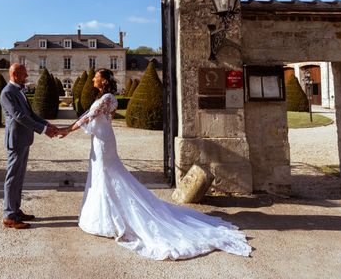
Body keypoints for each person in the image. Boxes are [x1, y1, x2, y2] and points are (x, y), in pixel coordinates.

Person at [56, 68, 252, 260]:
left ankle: (111, 219)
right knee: (104, 175)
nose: (92, 81)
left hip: (103, 142)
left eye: (96, 78)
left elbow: (89, 118)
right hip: (102, 139)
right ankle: (107, 215)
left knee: (107, 175)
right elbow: (101, 119)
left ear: (103, 81)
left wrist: (66, 129)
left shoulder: (106, 99)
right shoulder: (110, 99)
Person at [0, 63, 60, 230]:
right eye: (24, 74)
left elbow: (30, 114)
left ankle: (16, 210)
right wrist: (44, 130)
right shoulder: (7, 93)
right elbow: (19, 116)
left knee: (18, 177)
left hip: (24, 139)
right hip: (16, 140)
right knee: (12, 178)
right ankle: (9, 216)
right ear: (15, 74)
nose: (26, 77)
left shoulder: (19, 91)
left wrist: (47, 124)